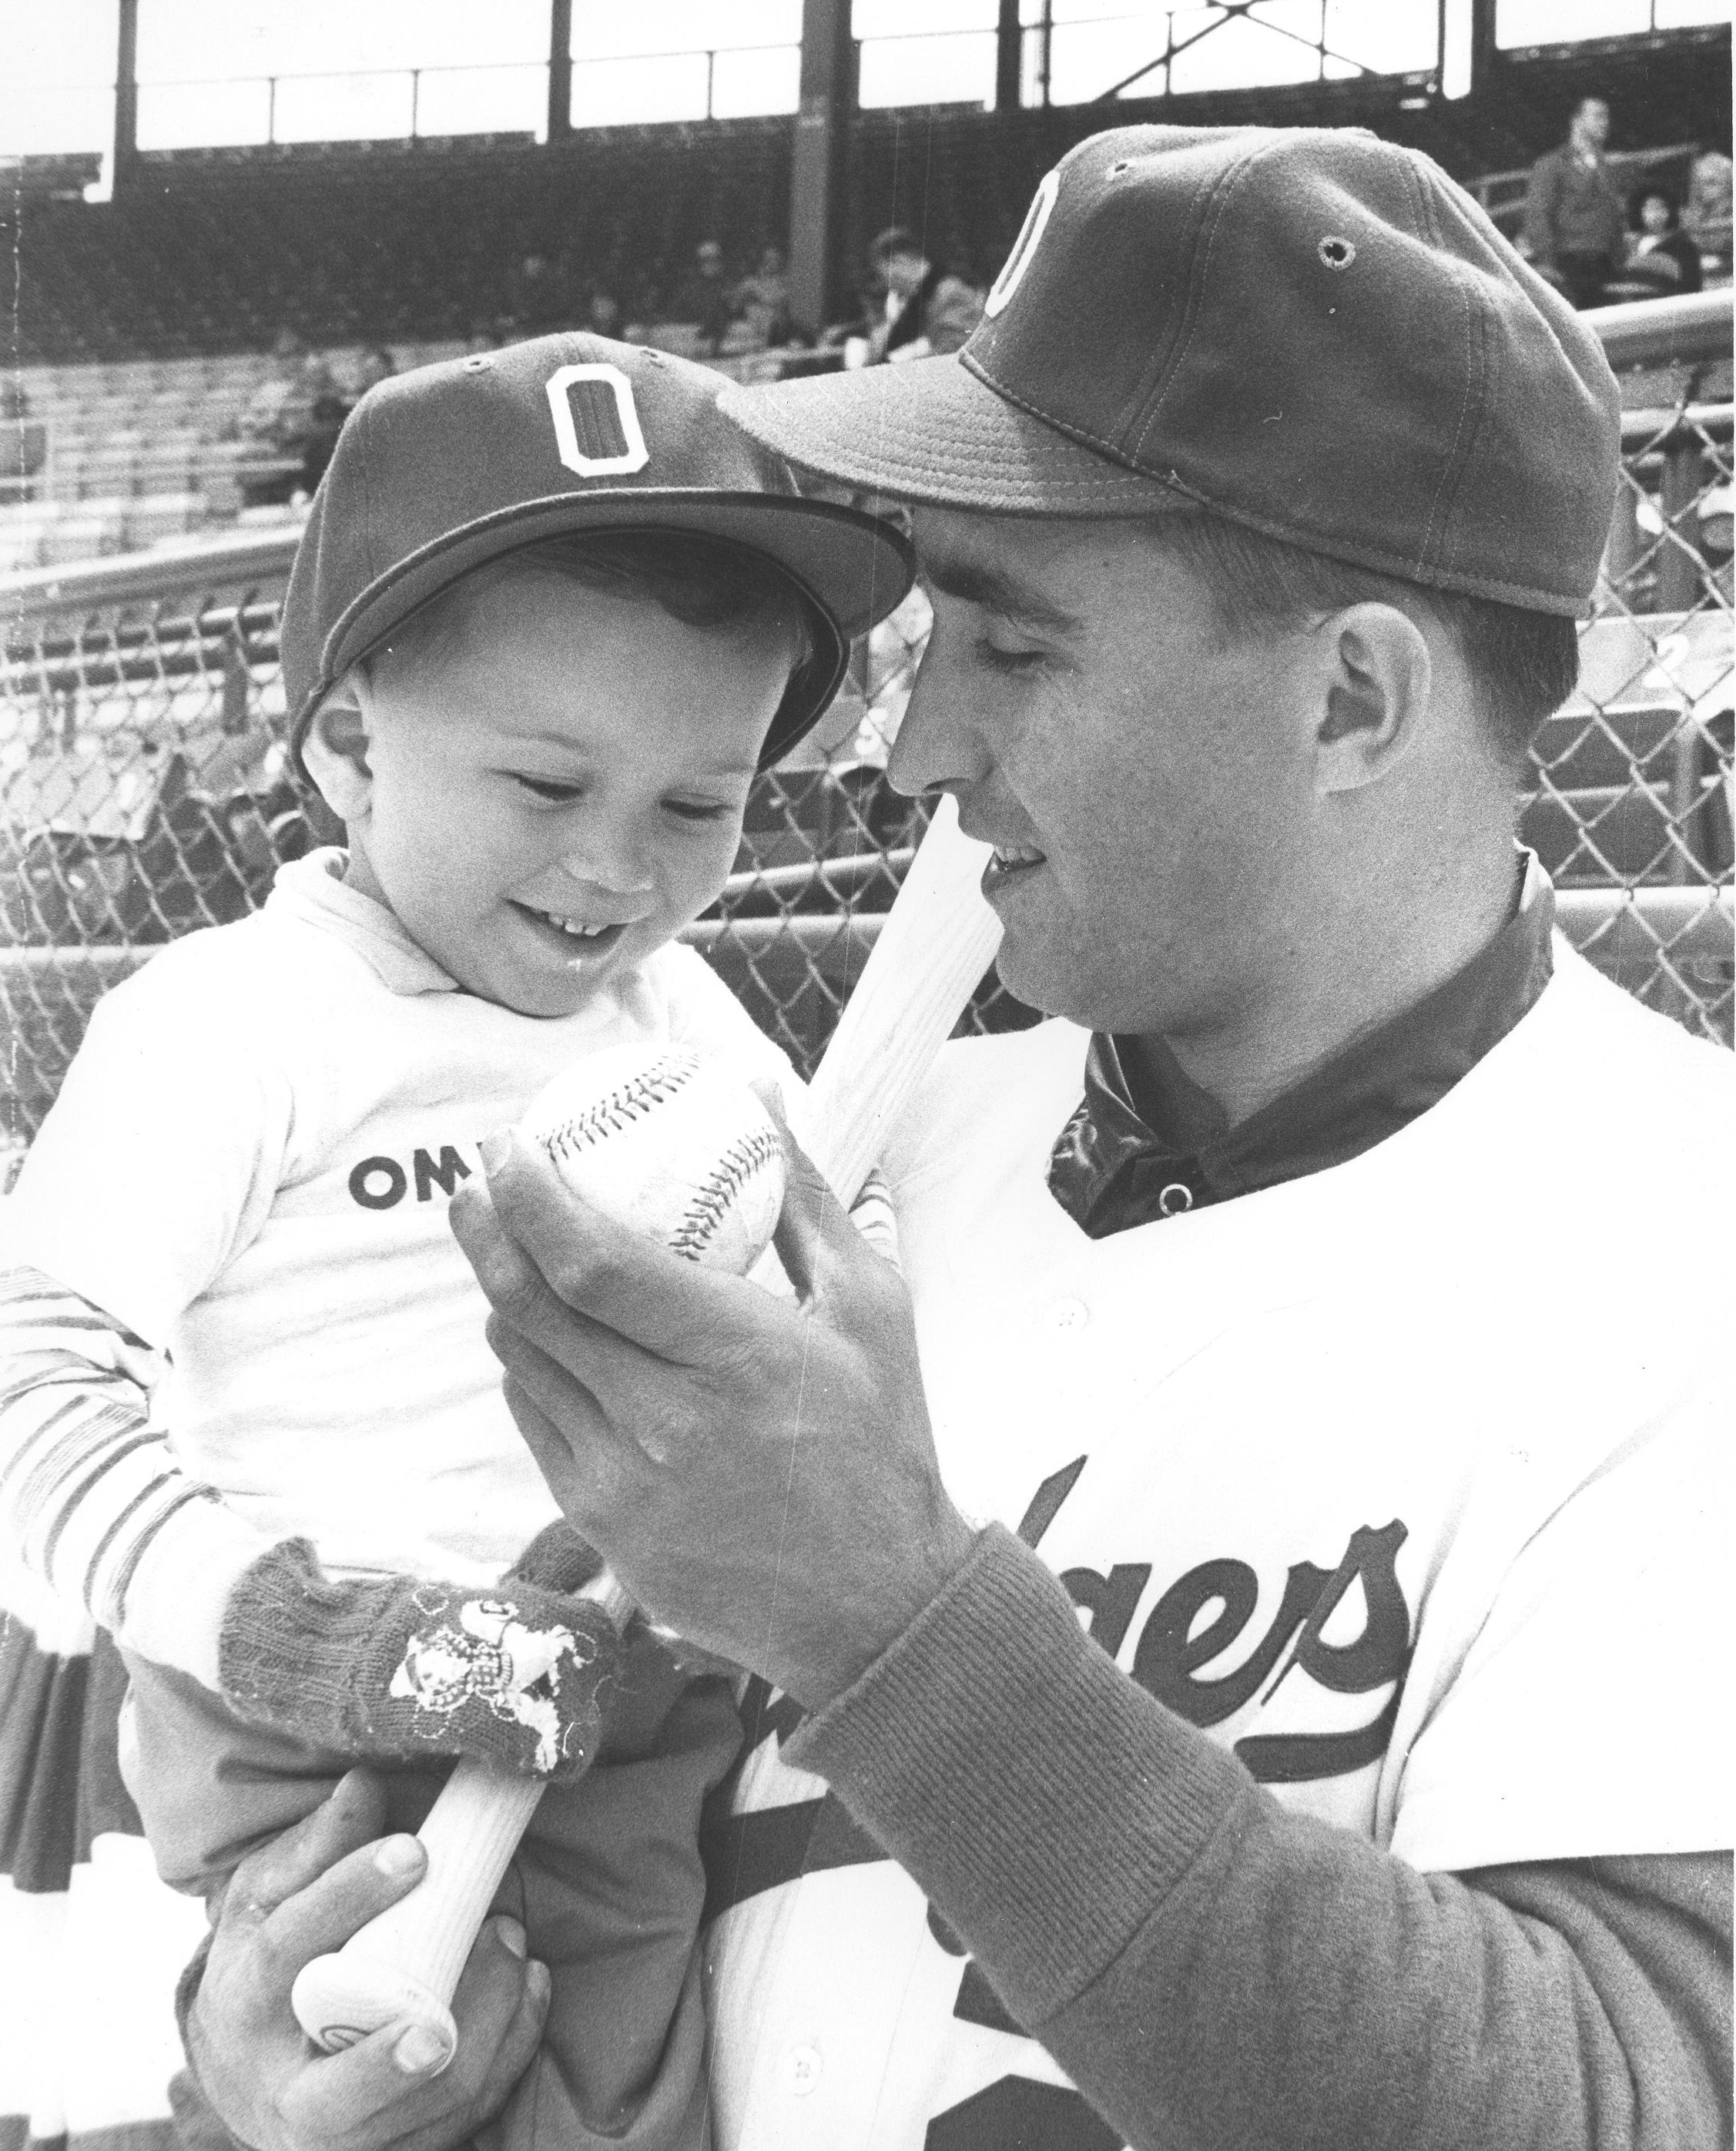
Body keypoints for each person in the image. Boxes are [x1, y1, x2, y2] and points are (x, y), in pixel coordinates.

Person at [179, 127, 1732, 2151]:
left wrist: (886, 1615)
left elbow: (1616, 2097)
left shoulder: (1671, 1253)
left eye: (1007, 647)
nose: (912, 751)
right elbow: (486, 1860)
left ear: (1347, 702)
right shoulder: (849, 1151)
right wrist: (282, 2036)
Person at [0, 334, 911, 2148]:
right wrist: (293, 1637)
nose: (619, 873)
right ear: (349, 740)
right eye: (544, 786)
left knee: (620, 2097)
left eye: (696, 807)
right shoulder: (236, 1019)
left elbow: (841, 1219)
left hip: (628, 1700)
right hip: (318, 1727)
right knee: (391, 2081)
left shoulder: (682, 1014)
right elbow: (27, 1382)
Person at [1522, 95, 1626, 309]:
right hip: (1568, 265)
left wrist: (1619, 258)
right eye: (1598, 116)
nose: (1605, 122)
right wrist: (1549, 265)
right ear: (1577, 121)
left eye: (1607, 117)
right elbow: (1537, 216)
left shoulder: (1606, 168)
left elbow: (1613, 217)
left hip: (1606, 265)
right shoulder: (1551, 165)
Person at [863, 226, 984, 362]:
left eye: (883, 275)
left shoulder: (950, 292)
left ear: (899, 261)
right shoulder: (912, 298)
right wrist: (892, 321)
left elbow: (954, 352)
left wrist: (902, 361)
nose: (888, 286)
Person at [1614, 185, 1704, 300]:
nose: (1655, 215)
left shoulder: (1683, 245)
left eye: (1661, 208)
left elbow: (1692, 288)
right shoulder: (1629, 245)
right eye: (1648, 209)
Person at [667, 240, 734, 355]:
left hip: (721, 341)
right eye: (707, 260)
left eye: (715, 260)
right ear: (700, 263)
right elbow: (678, 314)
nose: (711, 264)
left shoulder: (727, 285)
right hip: (692, 338)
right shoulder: (690, 288)